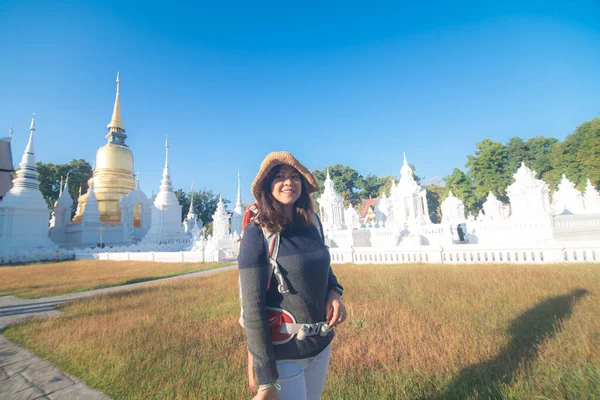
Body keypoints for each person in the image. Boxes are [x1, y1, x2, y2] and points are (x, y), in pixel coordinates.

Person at [238, 151, 346, 400]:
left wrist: (334, 291)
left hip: (320, 345)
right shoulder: (257, 234)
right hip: (284, 355)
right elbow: (253, 308)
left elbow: (323, 267)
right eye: (279, 176)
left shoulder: (312, 224)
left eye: (294, 176)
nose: (288, 182)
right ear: (267, 186)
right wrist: (267, 380)